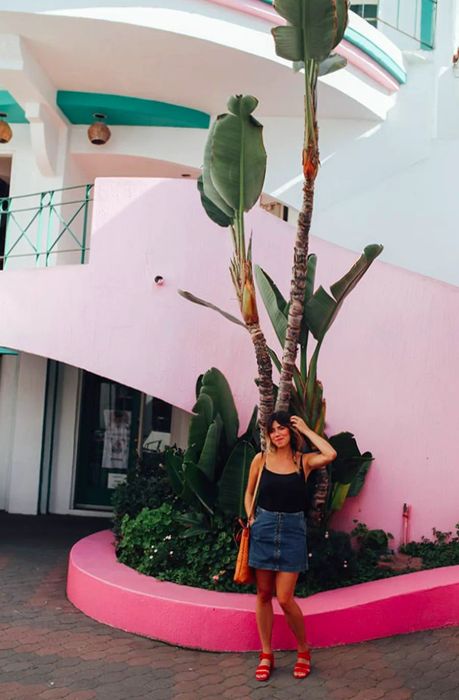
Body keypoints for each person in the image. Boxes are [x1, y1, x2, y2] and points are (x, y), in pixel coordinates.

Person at [244, 411, 337, 682]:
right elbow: (249, 492)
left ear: (290, 431)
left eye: (282, 428)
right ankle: (266, 654)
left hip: (293, 532)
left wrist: (306, 430)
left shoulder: (302, 462)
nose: (278, 434)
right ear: (268, 435)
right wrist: (251, 516)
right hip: (263, 527)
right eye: (273, 430)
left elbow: (330, 454)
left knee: (284, 598)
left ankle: (303, 649)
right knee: (263, 594)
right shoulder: (261, 460)